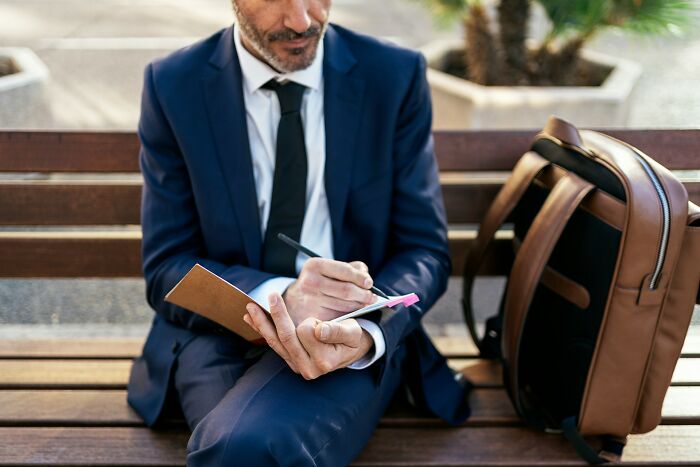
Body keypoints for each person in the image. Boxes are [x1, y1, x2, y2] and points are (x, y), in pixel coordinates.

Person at [127, 0, 471, 464]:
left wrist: (368, 326)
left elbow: (423, 251)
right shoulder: (174, 84)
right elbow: (167, 265)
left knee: (245, 447)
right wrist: (281, 299)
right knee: (249, 446)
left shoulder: (393, 75)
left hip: (347, 335)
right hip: (217, 331)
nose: (302, 21)